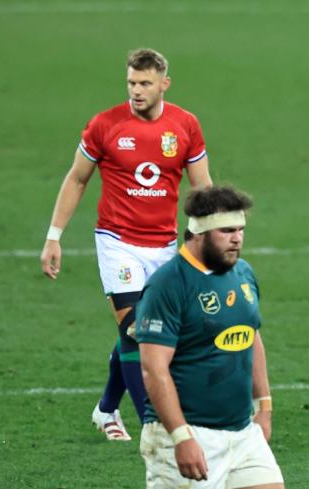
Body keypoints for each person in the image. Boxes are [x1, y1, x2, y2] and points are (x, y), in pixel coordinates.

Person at [40, 48, 213, 441]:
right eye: (132, 83)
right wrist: (54, 236)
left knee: (155, 330)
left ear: (164, 84)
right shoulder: (105, 125)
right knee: (137, 330)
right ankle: (153, 423)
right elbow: (77, 179)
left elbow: (203, 186)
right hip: (117, 242)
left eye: (145, 83)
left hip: (165, 245)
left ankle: (105, 408)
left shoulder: (185, 125)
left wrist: (206, 237)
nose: (136, 91)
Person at [136, 186, 291, 489]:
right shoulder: (168, 285)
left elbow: (251, 337)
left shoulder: (243, 273)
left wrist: (265, 405)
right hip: (185, 432)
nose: (237, 238)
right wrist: (181, 437)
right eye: (226, 231)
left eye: (240, 229)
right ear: (198, 234)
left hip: (241, 430)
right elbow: (154, 369)